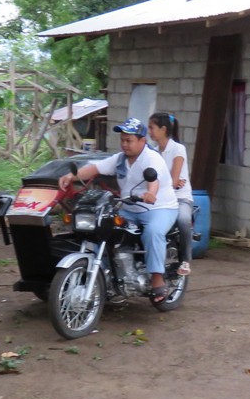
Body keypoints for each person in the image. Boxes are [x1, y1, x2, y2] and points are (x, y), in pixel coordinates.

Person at [58, 117, 179, 302]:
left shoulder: (152, 158)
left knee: (153, 232)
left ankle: (157, 279)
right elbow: (95, 168)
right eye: (122, 140)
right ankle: (108, 275)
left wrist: (150, 193)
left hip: (159, 208)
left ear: (142, 140)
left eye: (129, 140)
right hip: (129, 208)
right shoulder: (120, 159)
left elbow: (153, 180)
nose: (124, 144)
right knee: (102, 227)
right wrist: (70, 176)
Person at [148, 112, 193, 276]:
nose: (149, 132)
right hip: (160, 198)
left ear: (163, 129)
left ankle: (185, 260)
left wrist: (168, 183)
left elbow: (174, 180)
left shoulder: (178, 149)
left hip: (180, 198)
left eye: (151, 128)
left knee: (183, 220)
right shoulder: (153, 152)